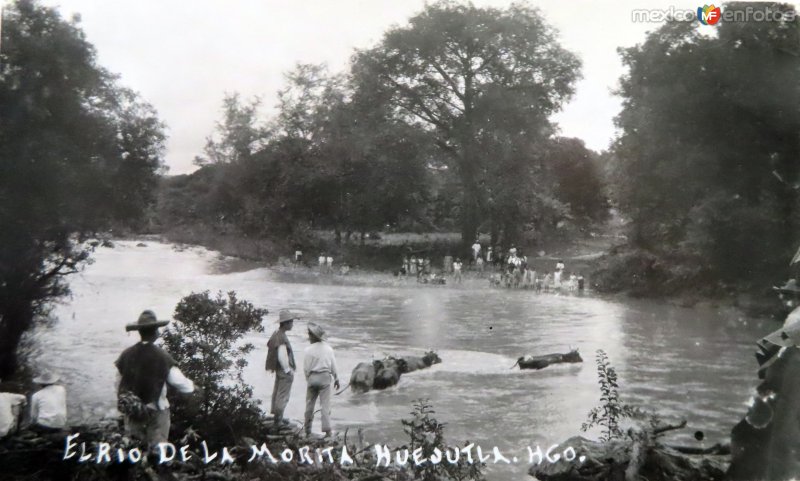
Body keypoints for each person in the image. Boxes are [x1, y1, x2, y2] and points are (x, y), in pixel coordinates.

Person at [116, 310, 195, 446]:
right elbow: (181, 384)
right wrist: (193, 387)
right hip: (157, 412)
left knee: (134, 446)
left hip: (133, 411)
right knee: (157, 449)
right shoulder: (162, 356)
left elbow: (119, 382)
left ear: (140, 332)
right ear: (155, 332)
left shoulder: (126, 354)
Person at [303, 322, 339, 437]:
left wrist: (308, 379)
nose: (308, 336)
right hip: (325, 378)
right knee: (325, 405)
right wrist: (337, 378)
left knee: (309, 404)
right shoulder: (328, 349)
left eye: (309, 334)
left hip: (312, 377)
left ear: (313, 336)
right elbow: (333, 366)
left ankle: (307, 429)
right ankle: (327, 431)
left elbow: (306, 368)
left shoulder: (308, 350)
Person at [266, 309, 297, 430]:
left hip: (278, 370)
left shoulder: (277, 334)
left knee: (277, 393)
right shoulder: (282, 337)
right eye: (291, 322)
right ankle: (278, 420)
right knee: (283, 395)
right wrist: (288, 370)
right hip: (284, 371)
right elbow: (282, 356)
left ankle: (278, 417)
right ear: (285, 324)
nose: (292, 324)